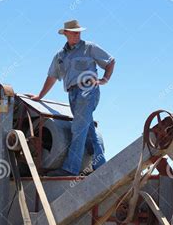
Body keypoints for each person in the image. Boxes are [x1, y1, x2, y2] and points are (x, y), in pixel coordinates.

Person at [28, 20, 115, 176]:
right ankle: (102, 167)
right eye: (74, 32)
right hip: (72, 94)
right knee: (88, 131)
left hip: (88, 90)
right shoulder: (60, 56)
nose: (77, 34)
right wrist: (40, 96)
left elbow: (110, 61)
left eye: (79, 31)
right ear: (66, 34)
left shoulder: (89, 48)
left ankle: (70, 169)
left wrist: (104, 80)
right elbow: (52, 77)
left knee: (77, 128)